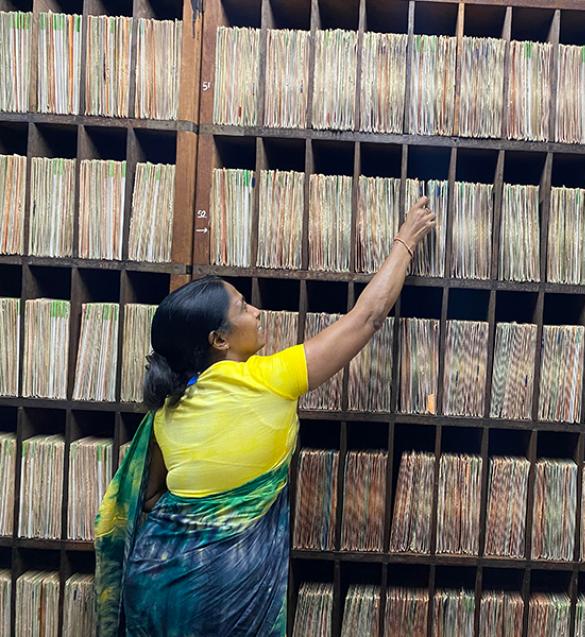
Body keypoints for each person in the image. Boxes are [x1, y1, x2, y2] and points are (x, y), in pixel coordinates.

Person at [94, 197, 436, 636]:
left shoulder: (168, 409)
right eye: (242, 308)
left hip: (157, 580)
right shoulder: (272, 378)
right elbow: (366, 318)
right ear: (219, 339)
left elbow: (151, 497)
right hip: (228, 593)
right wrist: (405, 241)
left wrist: (205, 519)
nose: (256, 311)